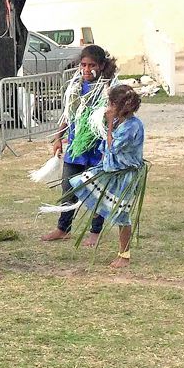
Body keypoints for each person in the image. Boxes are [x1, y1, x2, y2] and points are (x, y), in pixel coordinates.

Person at [40, 44, 117, 246]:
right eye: (83, 64)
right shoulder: (75, 87)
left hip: (98, 148)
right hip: (76, 148)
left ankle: (95, 231)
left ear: (101, 66)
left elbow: (114, 118)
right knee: (68, 188)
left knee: (96, 190)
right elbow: (68, 114)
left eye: (91, 65)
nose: (86, 69)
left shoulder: (109, 89)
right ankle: (63, 228)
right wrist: (58, 137)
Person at [64, 84, 148, 268]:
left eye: (110, 105)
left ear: (119, 106)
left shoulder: (132, 126)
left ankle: (124, 255)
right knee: (81, 184)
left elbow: (112, 146)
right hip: (110, 171)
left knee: (122, 214)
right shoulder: (120, 122)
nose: (108, 108)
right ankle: (97, 228)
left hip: (124, 176)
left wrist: (109, 124)